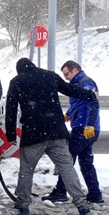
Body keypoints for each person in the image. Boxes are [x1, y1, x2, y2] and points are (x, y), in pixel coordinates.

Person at [5, 58, 98, 215]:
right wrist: (91, 95)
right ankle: (81, 203)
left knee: (27, 169)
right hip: (56, 131)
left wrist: (11, 134)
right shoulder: (49, 75)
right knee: (66, 167)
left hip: (33, 134)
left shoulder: (17, 81)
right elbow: (70, 90)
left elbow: (11, 109)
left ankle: (23, 203)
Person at [42, 60, 103, 204]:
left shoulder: (85, 83)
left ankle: (61, 191)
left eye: (67, 74)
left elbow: (92, 104)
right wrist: (69, 113)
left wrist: (89, 125)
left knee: (67, 159)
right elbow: (79, 103)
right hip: (84, 127)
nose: (66, 78)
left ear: (74, 70)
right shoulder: (78, 83)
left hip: (84, 129)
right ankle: (95, 194)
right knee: (86, 163)